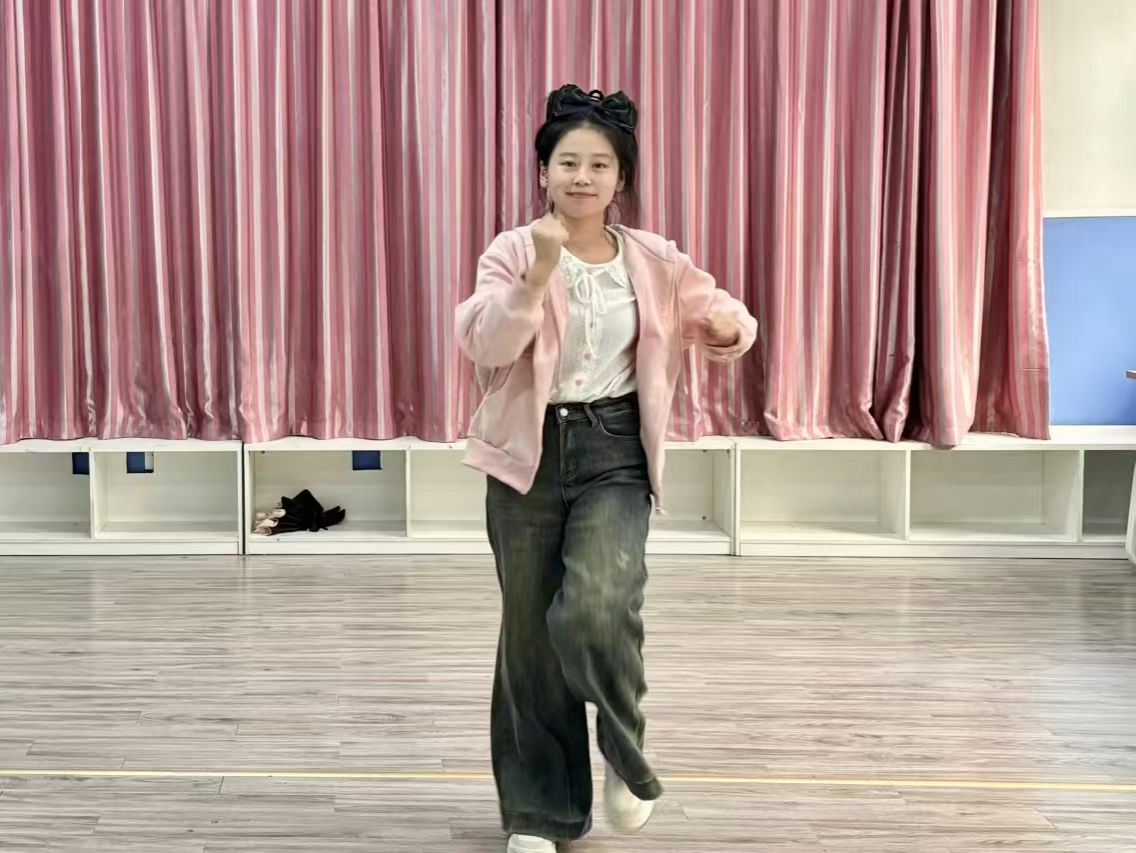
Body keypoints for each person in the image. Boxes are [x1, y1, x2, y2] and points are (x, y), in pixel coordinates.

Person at [455, 84, 757, 853]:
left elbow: (724, 317)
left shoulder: (655, 258)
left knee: (596, 607)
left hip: (615, 449)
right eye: (567, 162)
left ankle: (622, 749)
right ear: (543, 172)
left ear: (621, 177)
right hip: (525, 457)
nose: (582, 176)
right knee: (529, 639)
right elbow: (485, 345)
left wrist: (731, 326)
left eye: (599, 164)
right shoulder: (513, 251)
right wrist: (536, 276)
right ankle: (539, 813)